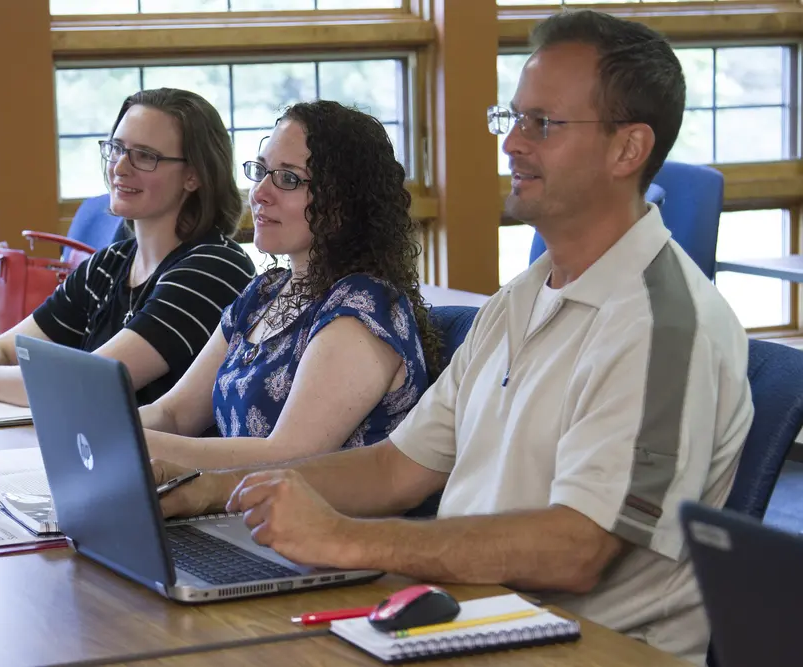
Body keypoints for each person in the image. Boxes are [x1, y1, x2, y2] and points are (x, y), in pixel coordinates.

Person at [150, 11, 753, 666]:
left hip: (583, 649)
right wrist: (214, 488)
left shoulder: (661, 326)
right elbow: (395, 467)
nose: (511, 145)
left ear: (627, 149)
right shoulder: (520, 299)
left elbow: (580, 547)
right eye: (512, 119)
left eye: (541, 125)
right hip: (468, 620)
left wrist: (348, 540)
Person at [0, 88, 256, 409]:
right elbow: (9, 350)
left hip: (175, 481)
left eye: (145, 156)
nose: (120, 168)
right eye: (117, 149)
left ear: (194, 175)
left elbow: (88, 383)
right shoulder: (109, 264)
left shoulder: (214, 267)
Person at [137, 100, 439, 469]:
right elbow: (173, 414)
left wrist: (130, 442)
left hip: (324, 523)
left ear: (342, 203)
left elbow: (288, 456)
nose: (260, 193)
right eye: (262, 171)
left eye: (289, 178)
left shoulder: (363, 309)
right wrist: (106, 427)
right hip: (235, 513)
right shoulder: (263, 293)